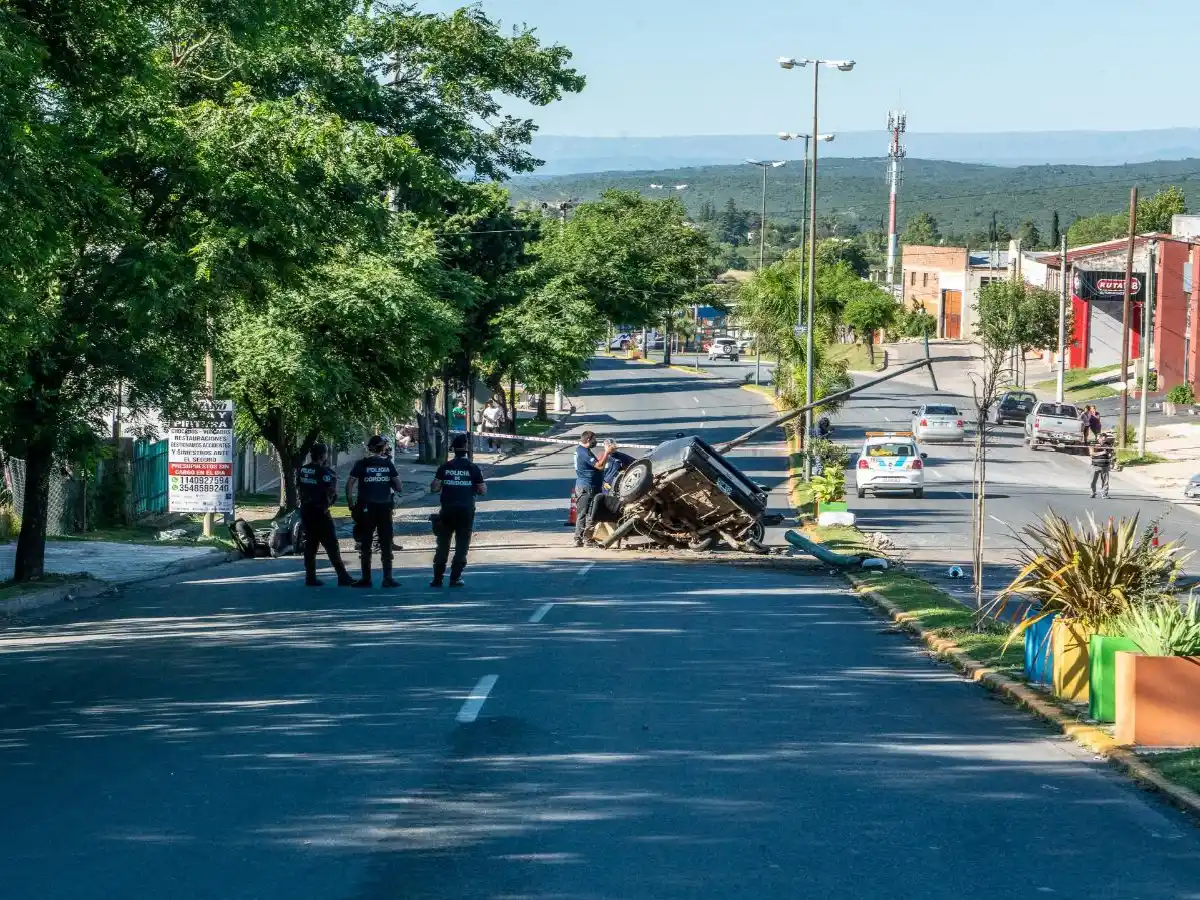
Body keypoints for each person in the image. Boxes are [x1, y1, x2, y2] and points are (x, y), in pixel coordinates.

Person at [346, 435, 402, 588]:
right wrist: (387, 481)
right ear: (383, 448)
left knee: (365, 544)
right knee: (385, 543)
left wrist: (351, 504)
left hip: (366, 508)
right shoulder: (387, 464)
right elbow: (399, 486)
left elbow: (349, 484)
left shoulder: (361, 464)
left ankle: (366, 579)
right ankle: (387, 578)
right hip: (384, 508)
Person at [430, 434, 486, 587]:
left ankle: (437, 578)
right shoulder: (473, 468)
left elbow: (434, 488)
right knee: (462, 546)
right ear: (467, 449)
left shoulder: (445, 467)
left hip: (447, 511)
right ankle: (455, 578)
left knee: (443, 545)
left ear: (453, 449)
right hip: (465, 512)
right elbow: (482, 490)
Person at [296, 443, 354, 587]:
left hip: (306, 510)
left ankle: (310, 577)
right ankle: (342, 576)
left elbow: (299, 488)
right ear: (323, 455)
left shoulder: (302, 470)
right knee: (331, 544)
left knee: (310, 544)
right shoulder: (326, 473)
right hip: (320, 512)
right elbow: (332, 492)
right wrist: (329, 504)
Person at [574, 430, 613, 547]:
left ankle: (585, 538)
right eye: (594, 440)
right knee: (587, 514)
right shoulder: (583, 452)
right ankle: (581, 538)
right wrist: (607, 452)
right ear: (588, 440)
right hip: (587, 487)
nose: (595, 442)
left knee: (590, 513)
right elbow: (599, 466)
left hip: (590, 486)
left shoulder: (583, 450)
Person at [1090, 433, 1114, 499]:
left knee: (1105, 481)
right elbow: (1092, 453)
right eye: (1103, 440)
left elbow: (1111, 454)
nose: (1104, 441)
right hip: (1096, 465)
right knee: (1093, 480)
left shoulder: (1108, 445)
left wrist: (1111, 458)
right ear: (1099, 438)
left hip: (1105, 465)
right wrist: (1102, 452)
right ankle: (1093, 492)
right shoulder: (1093, 444)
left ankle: (1104, 494)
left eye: (1105, 440)